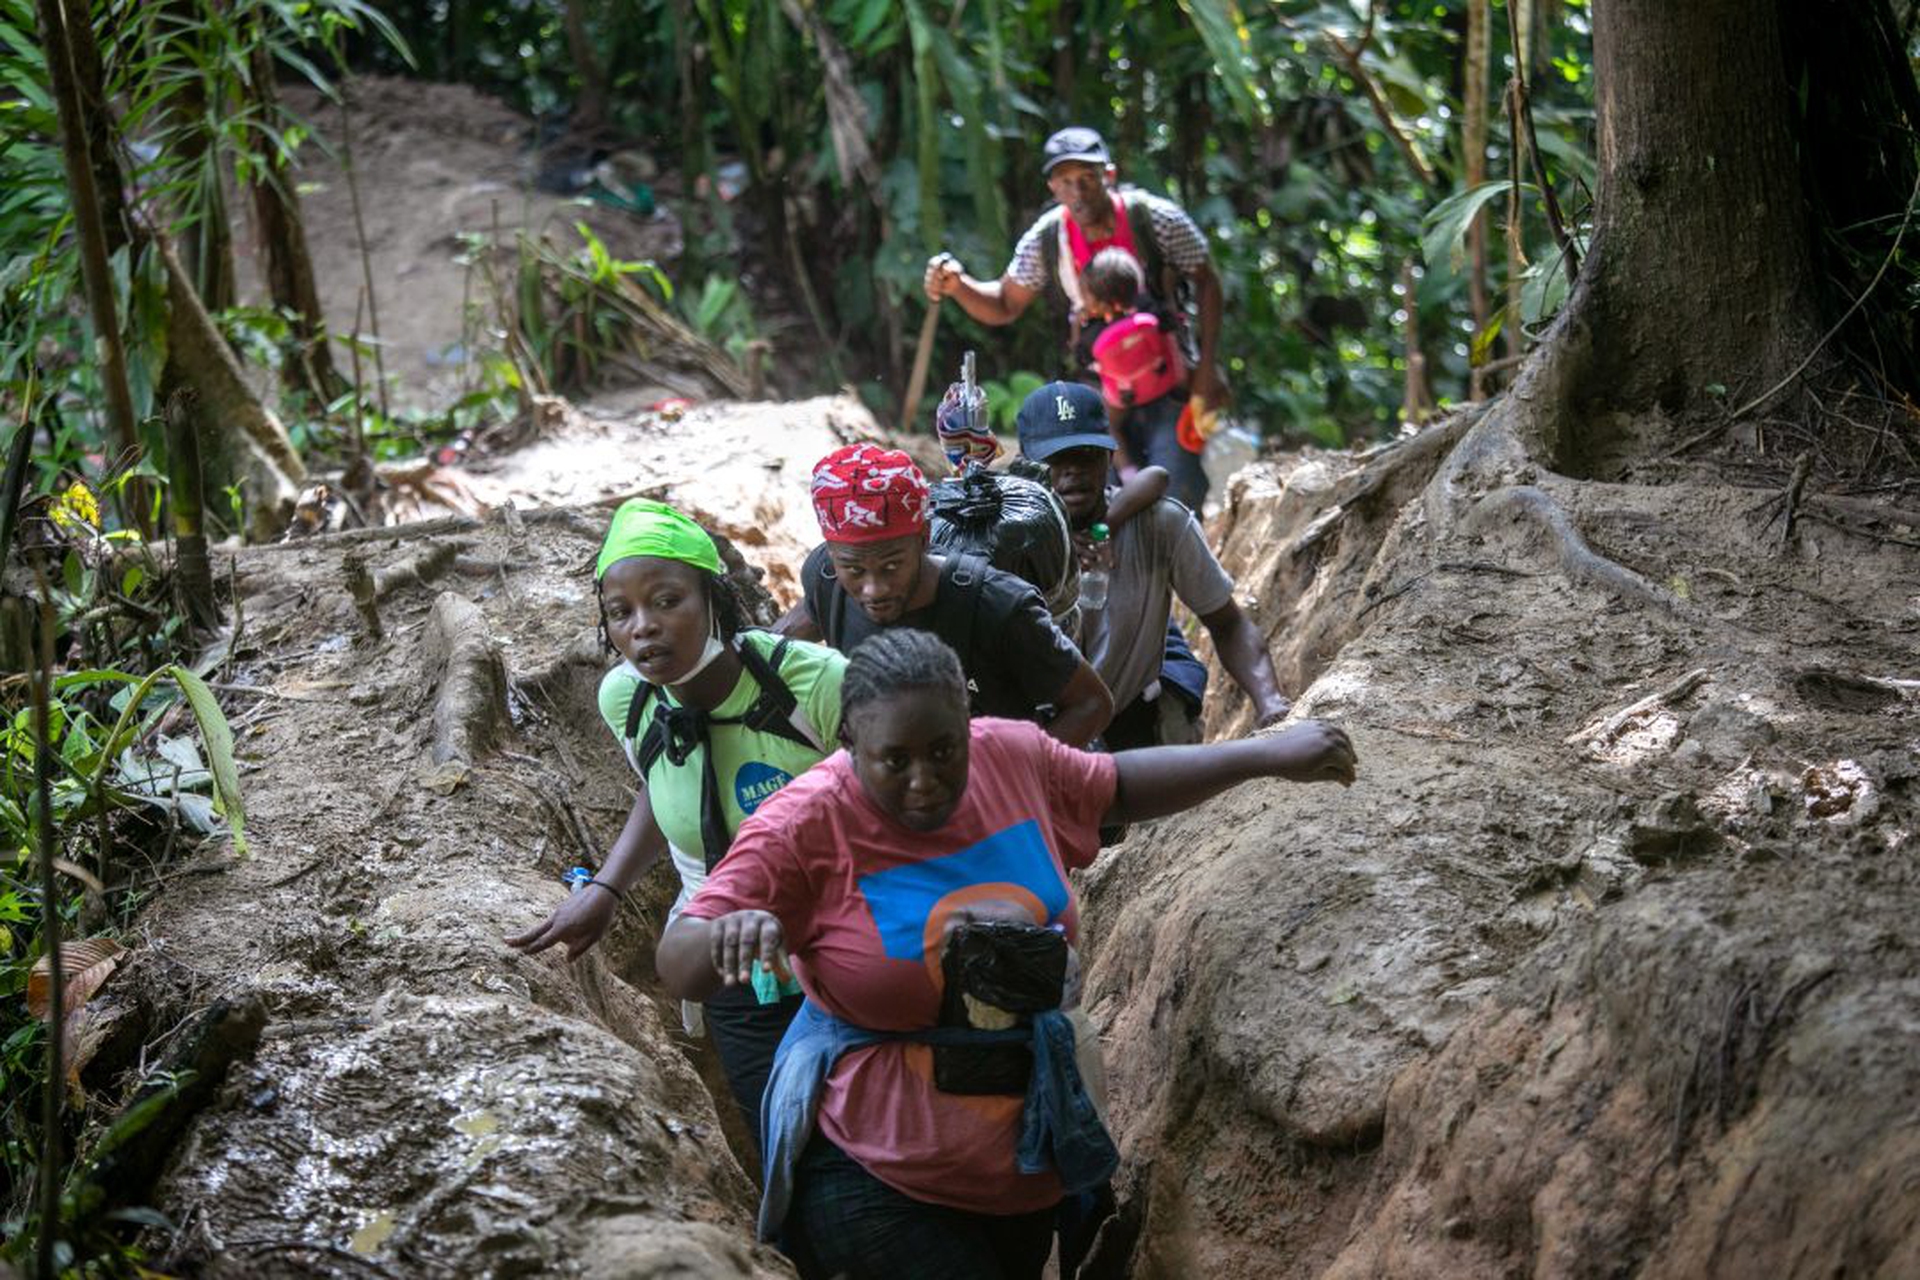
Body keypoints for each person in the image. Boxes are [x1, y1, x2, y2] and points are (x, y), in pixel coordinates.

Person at [654, 629, 1356, 1280]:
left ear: (968, 725)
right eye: (893, 761)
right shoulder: (803, 823)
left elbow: (1115, 786)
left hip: (1024, 1162)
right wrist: (726, 933)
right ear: (848, 742)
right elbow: (677, 958)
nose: (924, 780)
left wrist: (1264, 755)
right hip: (875, 1172)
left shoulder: (1012, 755)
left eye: (943, 750)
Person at [506, 497, 848, 1151]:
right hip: (730, 972)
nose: (643, 628)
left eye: (666, 600)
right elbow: (666, 789)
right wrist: (606, 890)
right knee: (786, 1144)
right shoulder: (627, 699)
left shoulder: (812, 685)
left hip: (843, 955)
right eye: (620, 612)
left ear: (714, 598)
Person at [923, 126, 1224, 509]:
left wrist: (1209, 368)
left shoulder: (1155, 221)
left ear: (1108, 176)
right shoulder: (1048, 239)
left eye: (1087, 179)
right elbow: (1004, 304)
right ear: (1052, 187)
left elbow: (1207, 282)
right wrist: (958, 285)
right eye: (1066, 182)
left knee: (1178, 493)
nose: (1078, 192)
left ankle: (1178, 560)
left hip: (1170, 383)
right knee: (1103, 499)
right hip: (1100, 391)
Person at [777, 443, 1114, 746]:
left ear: (923, 538)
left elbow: (1092, 703)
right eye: (854, 570)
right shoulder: (825, 581)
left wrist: (1016, 783)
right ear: (831, 554)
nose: (874, 588)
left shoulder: (996, 605)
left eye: (892, 566)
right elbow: (775, 648)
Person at [1017, 383, 1292, 749]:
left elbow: (1227, 623)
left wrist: (1269, 703)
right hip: (1036, 736)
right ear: (1027, 467)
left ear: (1108, 455)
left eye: (1086, 454)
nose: (1072, 470)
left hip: (1133, 726)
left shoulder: (1158, 525)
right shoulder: (1009, 540)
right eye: (1056, 459)